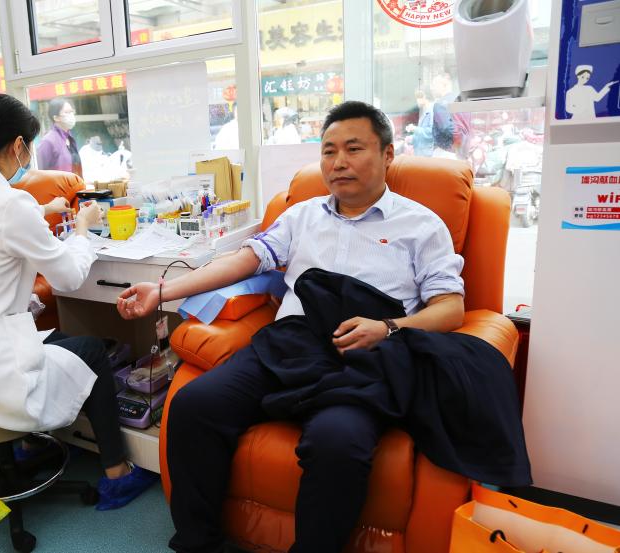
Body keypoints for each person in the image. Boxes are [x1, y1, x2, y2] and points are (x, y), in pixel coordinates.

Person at [118, 101, 470, 552]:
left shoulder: (422, 225)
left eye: (353, 149)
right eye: (328, 151)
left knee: (337, 442)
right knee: (192, 406)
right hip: (290, 345)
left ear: (387, 154)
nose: (338, 162)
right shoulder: (302, 215)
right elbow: (245, 260)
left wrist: (387, 327)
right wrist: (163, 290)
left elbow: (450, 307)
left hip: (362, 355)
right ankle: (199, 542)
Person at [0, 93, 155, 510]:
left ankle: (30, 447)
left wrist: (40, 210)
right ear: (18, 146)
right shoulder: (12, 204)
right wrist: (82, 228)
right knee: (93, 350)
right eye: (28, 146)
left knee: (60, 339)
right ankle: (117, 474)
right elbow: (68, 275)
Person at [36, 97, 83, 177]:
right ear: (56, 118)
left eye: (72, 111)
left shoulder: (70, 139)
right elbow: (41, 172)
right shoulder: (48, 141)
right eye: (67, 112)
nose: (71, 115)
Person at [406, 89, 435, 157]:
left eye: (418, 97)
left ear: (425, 96)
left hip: (427, 154)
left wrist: (414, 129)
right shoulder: (425, 111)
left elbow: (431, 132)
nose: (417, 100)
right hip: (421, 153)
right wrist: (412, 139)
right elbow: (422, 134)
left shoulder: (432, 111)